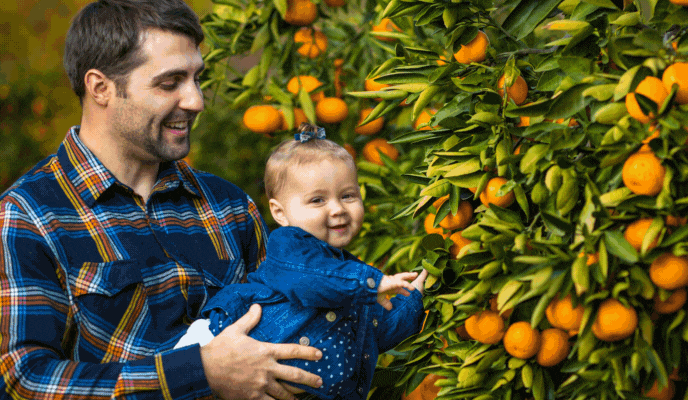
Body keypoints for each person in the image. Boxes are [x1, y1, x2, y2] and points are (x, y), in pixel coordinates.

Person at [0, 1, 325, 399]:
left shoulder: (229, 207)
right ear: (100, 88)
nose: (196, 101)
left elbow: (287, 326)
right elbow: (21, 380)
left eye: (196, 79)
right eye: (170, 83)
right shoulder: (29, 216)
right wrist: (198, 372)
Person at [175, 127, 428, 400]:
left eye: (348, 195)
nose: (338, 209)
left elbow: (381, 331)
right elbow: (311, 280)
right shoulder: (288, 247)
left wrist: (414, 298)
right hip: (216, 340)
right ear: (280, 213)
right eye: (317, 200)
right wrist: (371, 283)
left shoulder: (351, 277)